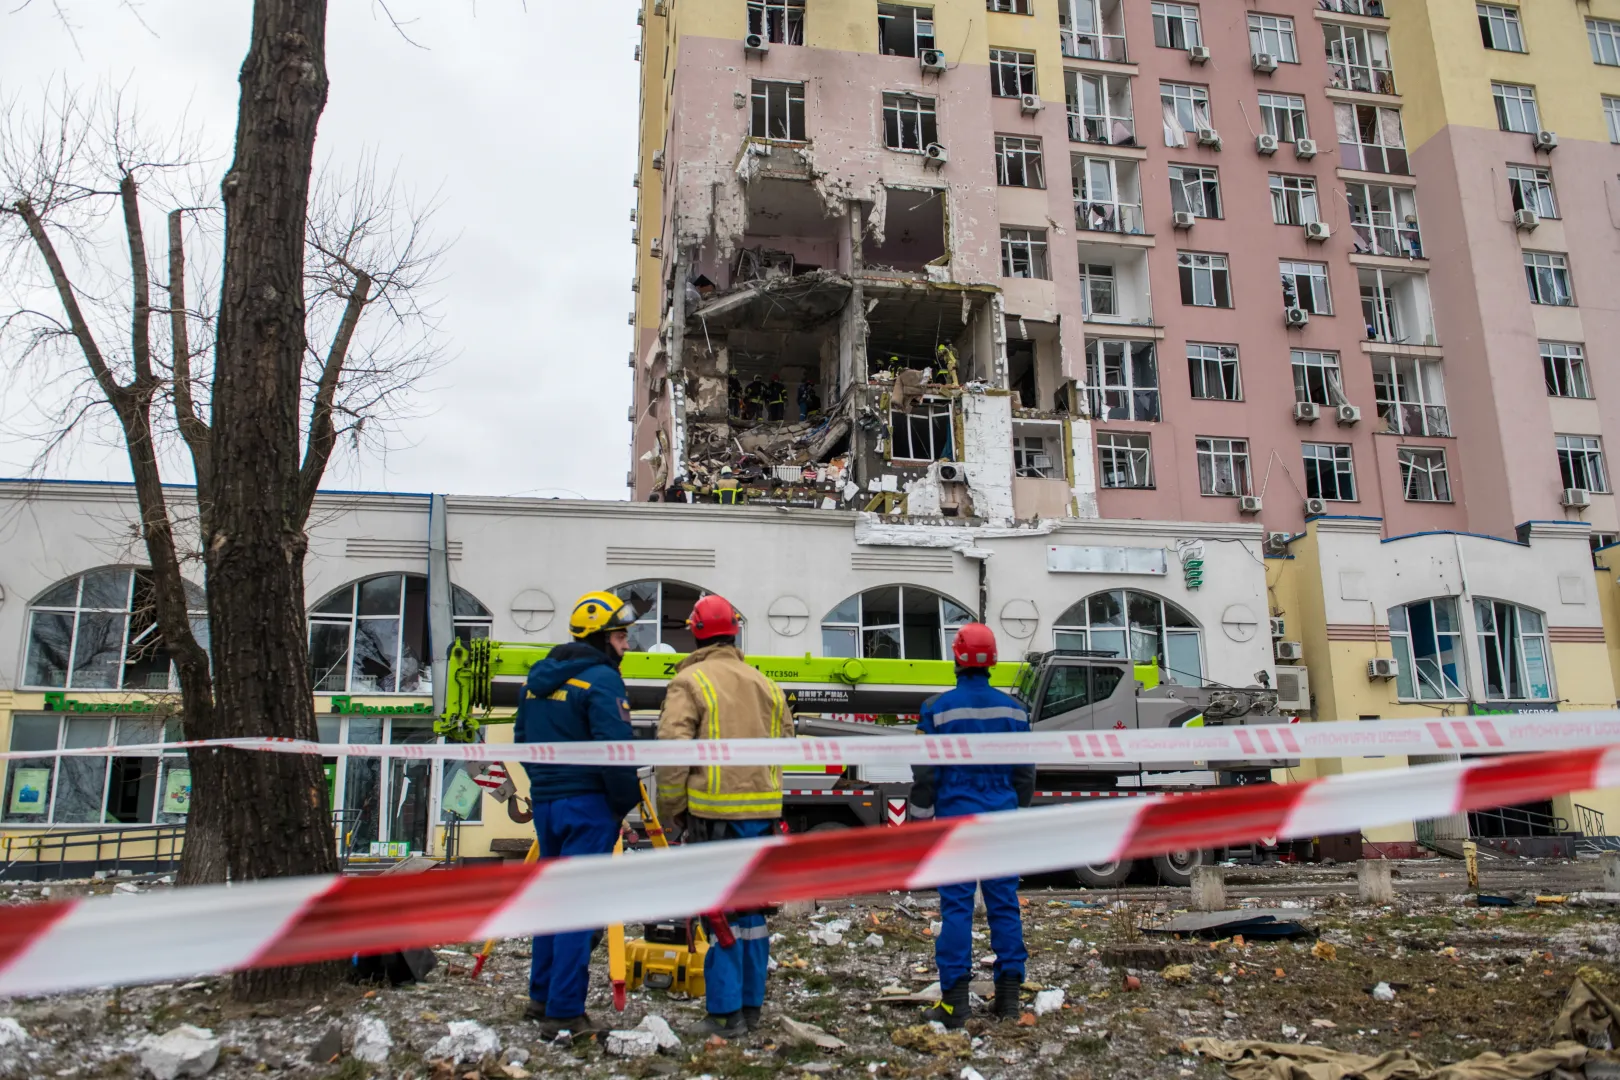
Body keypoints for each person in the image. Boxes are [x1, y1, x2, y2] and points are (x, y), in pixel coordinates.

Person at [657, 595, 794, 1037]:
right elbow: (787, 742)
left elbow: (672, 755)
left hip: (713, 816)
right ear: (734, 631)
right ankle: (750, 1007)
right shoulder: (765, 684)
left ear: (695, 631)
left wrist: (671, 809)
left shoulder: (690, 682)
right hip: (762, 816)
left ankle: (723, 1014)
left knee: (719, 916)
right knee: (752, 917)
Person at [515, 591, 642, 1036]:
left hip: (548, 805)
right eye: (622, 636)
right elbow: (617, 753)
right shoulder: (602, 680)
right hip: (589, 805)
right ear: (603, 638)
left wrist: (545, 787)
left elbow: (521, 741)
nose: (626, 645)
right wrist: (621, 804)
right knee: (577, 907)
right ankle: (565, 1011)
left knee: (551, 904)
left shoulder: (537, 678)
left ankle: (541, 995)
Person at [907, 623, 1033, 1029]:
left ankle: (955, 1004)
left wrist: (920, 815)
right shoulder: (1015, 710)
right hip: (1001, 815)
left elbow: (925, 773)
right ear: (993, 659)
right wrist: (1016, 808)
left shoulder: (937, 709)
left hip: (956, 817)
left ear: (957, 658)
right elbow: (1025, 773)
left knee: (957, 907)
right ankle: (1009, 1001)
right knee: (1004, 904)